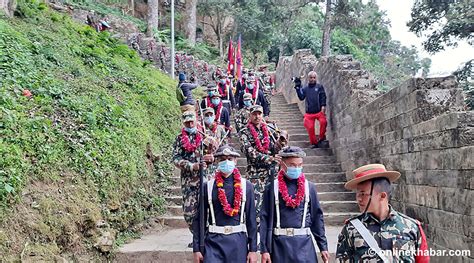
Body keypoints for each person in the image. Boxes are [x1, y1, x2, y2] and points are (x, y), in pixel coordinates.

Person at [336, 164, 430, 263]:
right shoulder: (351, 229)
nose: (359, 199)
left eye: (363, 194)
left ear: (382, 196)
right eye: (357, 194)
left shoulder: (411, 227)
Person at [260, 146, 330, 263]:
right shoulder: (272, 187)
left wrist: (323, 246)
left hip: (304, 245)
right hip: (279, 245)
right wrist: (264, 249)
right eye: (292, 165)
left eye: (299, 165)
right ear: (282, 164)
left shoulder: (309, 187)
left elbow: (317, 218)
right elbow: (265, 218)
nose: (296, 168)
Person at [192, 145, 258, 263]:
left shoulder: (246, 186)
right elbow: (199, 220)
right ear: (217, 161)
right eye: (222, 159)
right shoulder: (208, 186)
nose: (226, 162)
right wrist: (196, 248)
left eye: (230, 159)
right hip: (214, 241)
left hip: (238, 241)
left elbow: (251, 220)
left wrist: (253, 249)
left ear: (236, 161)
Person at [240, 105, 285, 222]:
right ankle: (255, 237)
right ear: (250, 116)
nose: (257, 116)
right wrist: (269, 158)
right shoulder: (244, 132)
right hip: (255, 176)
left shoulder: (269, 130)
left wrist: (280, 143)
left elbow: (274, 149)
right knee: (256, 209)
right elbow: (250, 152)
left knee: (273, 205)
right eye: (254, 114)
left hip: (272, 174)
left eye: (259, 114)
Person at [172, 111, 207, 246]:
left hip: (205, 179)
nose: (190, 124)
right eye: (187, 122)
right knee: (189, 212)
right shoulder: (179, 139)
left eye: (192, 122)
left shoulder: (204, 137)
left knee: (206, 210)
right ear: (184, 123)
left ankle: (204, 238)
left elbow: (216, 154)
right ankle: (197, 236)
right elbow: (175, 158)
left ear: (196, 121)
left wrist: (211, 157)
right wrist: (192, 166)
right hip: (189, 182)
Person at [294, 71, 328, 148]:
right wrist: (297, 87)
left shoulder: (319, 87)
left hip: (319, 111)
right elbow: (301, 97)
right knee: (310, 127)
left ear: (316, 78)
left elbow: (323, 96)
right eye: (311, 77)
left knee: (323, 122)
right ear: (308, 78)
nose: (312, 79)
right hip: (309, 113)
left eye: (314, 77)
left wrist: (323, 106)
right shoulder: (305, 88)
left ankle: (321, 138)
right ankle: (314, 143)